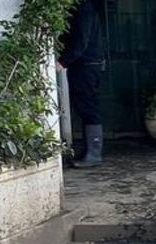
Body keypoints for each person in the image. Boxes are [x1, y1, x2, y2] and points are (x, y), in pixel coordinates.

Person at [57, 0, 105, 168]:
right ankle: (90, 151)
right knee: (85, 105)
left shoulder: (83, 8)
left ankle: (94, 153)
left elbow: (81, 42)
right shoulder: (85, 8)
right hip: (86, 63)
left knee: (88, 106)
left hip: (86, 64)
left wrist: (63, 61)